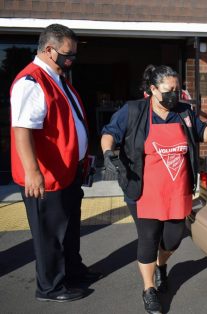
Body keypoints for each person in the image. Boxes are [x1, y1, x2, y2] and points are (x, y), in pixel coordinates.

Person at [101, 65, 207, 314]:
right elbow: (109, 133)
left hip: (177, 190)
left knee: (172, 239)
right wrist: (107, 153)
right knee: (148, 238)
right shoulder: (133, 111)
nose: (174, 96)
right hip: (143, 190)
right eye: (169, 90)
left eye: (177, 90)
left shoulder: (184, 112)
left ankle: (161, 264)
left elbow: (203, 132)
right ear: (153, 89)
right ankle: (148, 289)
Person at [10, 23, 102, 302]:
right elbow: (22, 130)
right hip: (47, 178)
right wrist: (32, 173)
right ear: (49, 50)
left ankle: (73, 272)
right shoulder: (32, 81)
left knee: (70, 229)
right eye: (67, 53)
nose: (71, 58)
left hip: (68, 173)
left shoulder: (58, 78)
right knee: (50, 236)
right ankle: (50, 287)